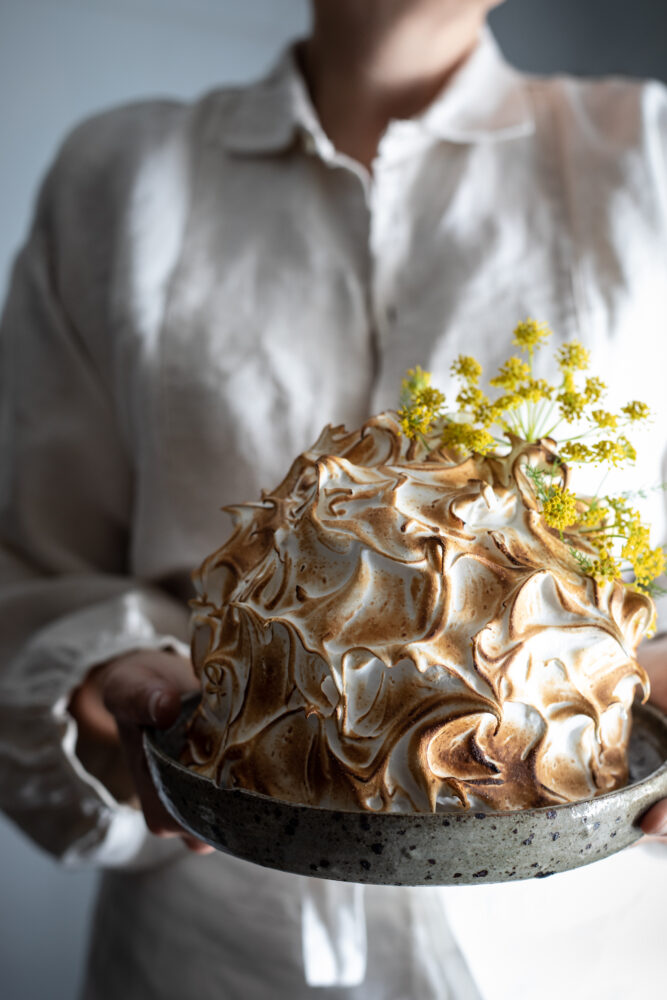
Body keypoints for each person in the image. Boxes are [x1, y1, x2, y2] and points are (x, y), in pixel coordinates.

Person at [1, 1, 666, 997]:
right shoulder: (121, 177)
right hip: (216, 951)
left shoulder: (646, 156)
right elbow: (27, 560)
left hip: (575, 952)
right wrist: (98, 670)